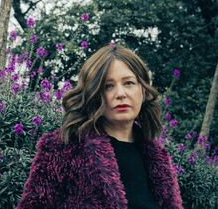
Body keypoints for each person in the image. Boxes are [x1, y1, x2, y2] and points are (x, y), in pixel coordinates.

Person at [16, 44, 183, 209]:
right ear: (94, 94)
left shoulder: (158, 158)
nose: (120, 94)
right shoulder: (63, 147)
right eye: (108, 86)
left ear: (143, 90)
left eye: (129, 83)